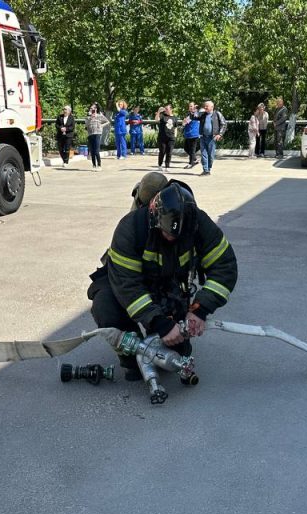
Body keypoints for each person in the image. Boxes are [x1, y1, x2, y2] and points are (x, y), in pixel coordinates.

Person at [87, 180, 238, 381]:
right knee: (105, 305)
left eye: (177, 236)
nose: (171, 239)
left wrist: (200, 310)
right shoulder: (131, 227)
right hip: (126, 285)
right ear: (155, 217)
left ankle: (158, 347)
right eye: (166, 233)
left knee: (178, 354)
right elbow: (127, 285)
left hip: (168, 287)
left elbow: (225, 267)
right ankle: (132, 358)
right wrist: (159, 322)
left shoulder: (200, 224)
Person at [197, 101, 227, 176]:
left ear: (212, 107)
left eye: (207, 106)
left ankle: (208, 168)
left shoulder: (217, 114)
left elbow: (224, 124)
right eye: (204, 106)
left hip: (212, 138)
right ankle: (206, 170)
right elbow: (194, 117)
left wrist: (220, 134)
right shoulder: (203, 115)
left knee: (211, 155)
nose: (205, 107)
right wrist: (194, 111)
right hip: (203, 137)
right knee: (203, 154)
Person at [84, 103, 110, 171]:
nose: (92, 109)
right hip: (90, 134)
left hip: (97, 133)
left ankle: (99, 165)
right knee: (92, 150)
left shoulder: (100, 116)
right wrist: (90, 117)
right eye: (91, 108)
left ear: (96, 109)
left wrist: (102, 125)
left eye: (94, 108)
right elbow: (86, 125)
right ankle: (94, 165)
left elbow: (107, 121)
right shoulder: (88, 117)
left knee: (96, 150)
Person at [154, 104, 178, 172]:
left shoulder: (175, 118)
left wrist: (175, 136)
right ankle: (160, 165)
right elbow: (156, 119)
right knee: (162, 151)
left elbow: (175, 127)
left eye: (167, 109)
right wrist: (159, 111)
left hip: (171, 138)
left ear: (171, 109)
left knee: (169, 152)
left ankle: (167, 166)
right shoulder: (162, 116)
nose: (165, 110)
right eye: (165, 109)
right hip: (162, 137)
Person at [181, 102, 201, 169]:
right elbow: (184, 123)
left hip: (194, 134)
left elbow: (186, 121)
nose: (190, 107)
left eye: (192, 106)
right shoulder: (188, 114)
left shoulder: (197, 114)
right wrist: (184, 122)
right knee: (186, 148)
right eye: (189, 106)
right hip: (188, 134)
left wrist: (185, 121)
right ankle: (194, 159)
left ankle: (190, 163)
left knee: (192, 150)